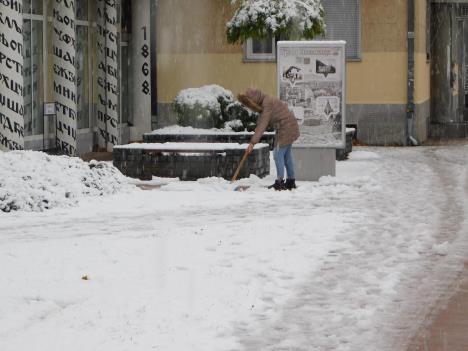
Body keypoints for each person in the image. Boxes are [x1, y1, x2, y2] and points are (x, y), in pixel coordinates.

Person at [239, 88, 300, 190]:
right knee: (286, 156)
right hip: (290, 126)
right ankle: (290, 181)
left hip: (285, 128)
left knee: (277, 154)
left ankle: (280, 182)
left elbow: (263, 124)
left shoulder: (267, 103)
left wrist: (252, 143)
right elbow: (262, 119)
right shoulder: (267, 99)